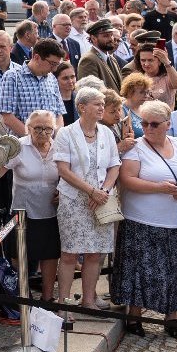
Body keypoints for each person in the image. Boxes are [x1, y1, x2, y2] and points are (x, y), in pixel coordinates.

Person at [114, 100, 177, 338]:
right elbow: (127, 179)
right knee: (139, 269)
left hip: (172, 221)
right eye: (144, 123)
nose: (148, 128)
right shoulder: (136, 147)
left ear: (168, 124)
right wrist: (159, 188)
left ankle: (171, 315)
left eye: (154, 124)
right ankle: (135, 314)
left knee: (171, 269)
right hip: (140, 219)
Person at [53, 87, 121, 308]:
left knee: (95, 253)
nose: (102, 107)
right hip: (74, 200)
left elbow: (114, 166)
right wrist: (91, 191)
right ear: (82, 107)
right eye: (97, 104)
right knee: (70, 253)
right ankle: (63, 302)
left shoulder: (107, 133)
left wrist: (104, 191)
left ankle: (89, 299)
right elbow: (63, 169)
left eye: (103, 104)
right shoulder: (66, 133)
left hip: (101, 200)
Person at [0, 110, 63, 302]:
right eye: (37, 128)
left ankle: (48, 297)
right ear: (28, 128)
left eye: (48, 128)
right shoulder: (20, 147)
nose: (43, 132)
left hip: (50, 211)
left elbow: (67, 174)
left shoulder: (59, 148)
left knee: (50, 254)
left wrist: (62, 190)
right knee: (19, 253)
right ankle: (22, 294)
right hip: (24, 210)